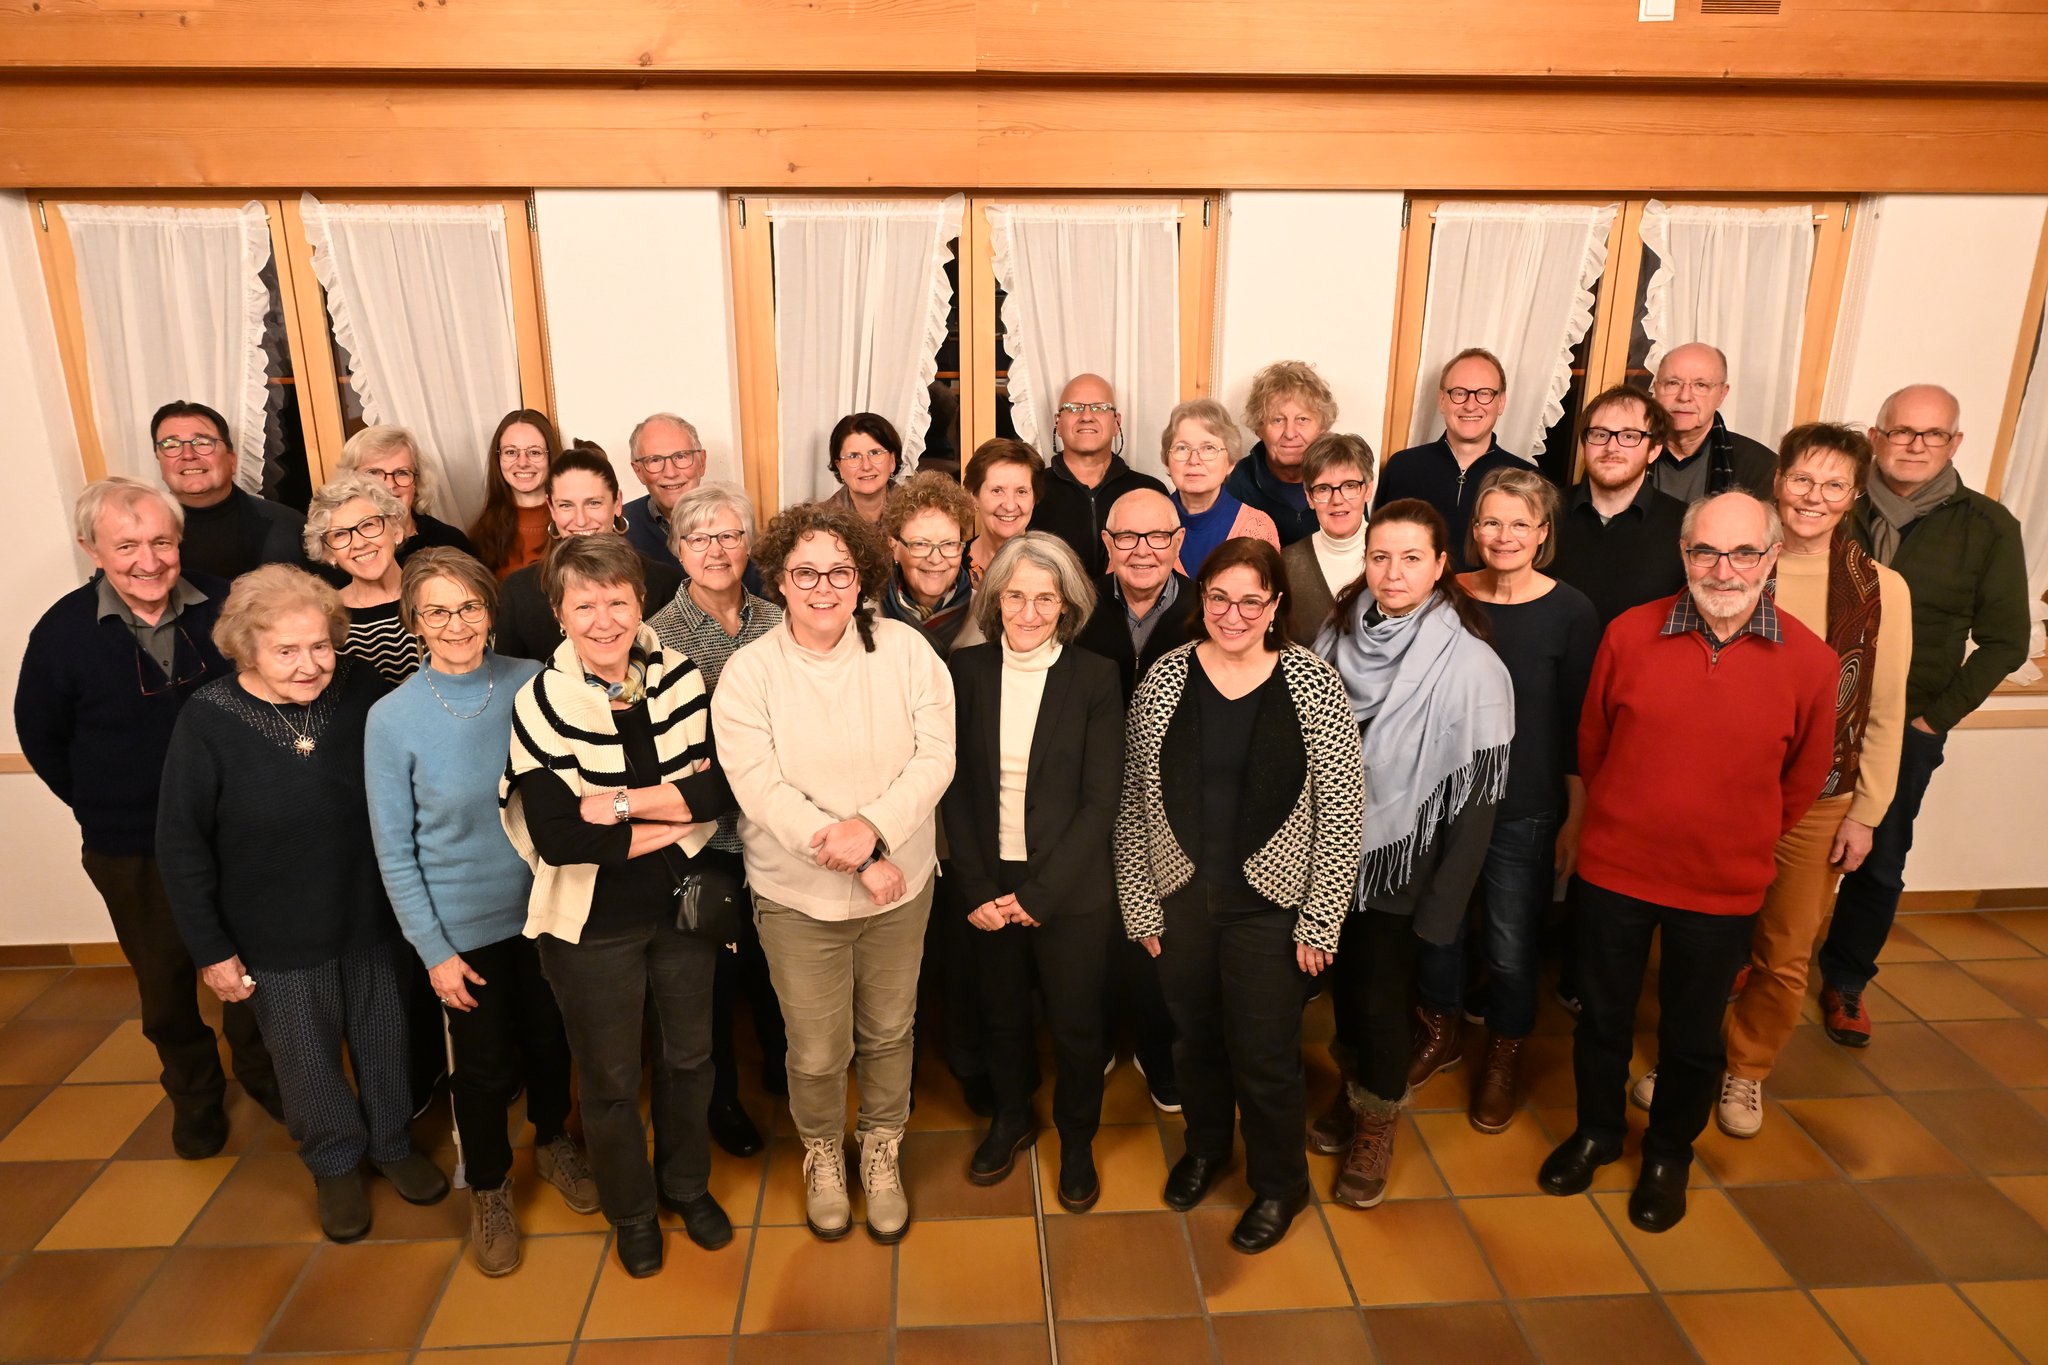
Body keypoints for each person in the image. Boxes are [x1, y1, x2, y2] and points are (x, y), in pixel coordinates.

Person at [1540, 492, 1836, 1234]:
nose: (1723, 569)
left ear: (1771, 557)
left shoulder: (1812, 661)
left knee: (1692, 1035)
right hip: (1616, 871)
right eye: (1706, 551)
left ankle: (1669, 1154)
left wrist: (1735, 834)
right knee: (1602, 1019)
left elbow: (1803, 780)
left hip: (1721, 884)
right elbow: (1593, 743)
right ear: (1684, 554)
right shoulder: (1628, 634)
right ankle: (1597, 1132)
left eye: (1743, 552)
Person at [1631, 425, 1910, 1138]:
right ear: (1779, 481)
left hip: (1820, 799)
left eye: (1834, 484)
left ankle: (1746, 1068)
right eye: (1802, 479)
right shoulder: (1735, 561)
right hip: (1719, 792)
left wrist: (1866, 812)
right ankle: (1685, 1057)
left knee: (1784, 951)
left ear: (1854, 495)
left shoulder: (1882, 590)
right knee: (1699, 941)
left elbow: (1884, 708)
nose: (1814, 497)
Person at [156, 565, 447, 1242]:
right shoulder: (208, 719)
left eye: (320, 645)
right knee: (305, 1055)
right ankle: (335, 1162)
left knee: (385, 1037)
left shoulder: (363, 688)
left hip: (372, 913)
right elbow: (180, 845)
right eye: (286, 650)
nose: (310, 664)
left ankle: (392, 1144)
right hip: (273, 932)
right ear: (246, 647)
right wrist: (212, 949)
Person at [15, 478, 282, 1159]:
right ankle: (195, 1096)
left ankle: (263, 1074)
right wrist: (105, 805)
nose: (148, 560)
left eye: (162, 542)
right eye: (127, 545)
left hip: (237, 837)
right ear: (92, 549)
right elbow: (42, 738)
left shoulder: (228, 605)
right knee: (164, 984)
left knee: (254, 967)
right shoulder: (61, 633)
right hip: (130, 847)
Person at [713, 500, 956, 1246]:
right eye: (806, 573)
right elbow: (760, 788)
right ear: (779, 579)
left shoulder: (907, 651)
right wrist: (859, 855)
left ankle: (880, 1150)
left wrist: (875, 833)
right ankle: (823, 1153)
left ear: (864, 577)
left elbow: (936, 758)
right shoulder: (749, 672)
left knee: (888, 1031)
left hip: (900, 890)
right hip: (797, 896)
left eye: (840, 572)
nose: (824, 587)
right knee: (816, 1049)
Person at [1116, 538, 1363, 1254]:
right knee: (1195, 1041)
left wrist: (1321, 919)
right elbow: (1133, 800)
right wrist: (1140, 901)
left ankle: (1280, 1184)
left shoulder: (1312, 683)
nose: (1233, 614)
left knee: (1264, 1054)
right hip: (1182, 900)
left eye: (1251, 600)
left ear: (1275, 605)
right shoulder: (1166, 677)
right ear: (1202, 599)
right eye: (1219, 598)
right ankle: (1205, 1149)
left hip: (1272, 910)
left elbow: (1342, 811)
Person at [499, 535, 737, 1277]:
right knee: (607, 1081)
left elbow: (719, 793)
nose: (604, 620)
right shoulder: (540, 701)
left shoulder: (682, 676)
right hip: (590, 923)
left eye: (617, 601)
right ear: (559, 613)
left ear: (640, 605)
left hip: (682, 910)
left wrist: (621, 805)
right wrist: (673, 816)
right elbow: (561, 838)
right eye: (585, 605)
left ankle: (686, 1186)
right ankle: (632, 1211)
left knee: (690, 1059)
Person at [365, 549, 596, 1277]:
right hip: (462, 927)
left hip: (548, 908)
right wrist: (434, 951)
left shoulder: (534, 682)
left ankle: (554, 1141)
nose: (456, 623)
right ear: (414, 621)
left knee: (553, 1042)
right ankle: (490, 1187)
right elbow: (394, 851)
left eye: (468, 606)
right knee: (486, 1067)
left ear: (491, 611)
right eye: (436, 611)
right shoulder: (391, 719)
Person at [1814, 385, 2031, 1047]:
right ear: (1876, 438)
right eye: (1901, 431)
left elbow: (2006, 642)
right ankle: (1749, 956)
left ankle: (1846, 980)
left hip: (1906, 725)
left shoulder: (1988, 527)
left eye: (1931, 434)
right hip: (1814, 713)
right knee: (1777, 839)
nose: (1914, 445)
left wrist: (1932, 722)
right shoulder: (1832, 505)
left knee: (1877, 857)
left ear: (1954, 443)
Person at [1314, 501, 1512, 1207]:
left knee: (1381, 997)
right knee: (1344, 988)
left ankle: (1378, 1120)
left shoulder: (1473, 665)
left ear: (1440, 566)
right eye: (1380, 557)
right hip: (1328, 851)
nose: (1392, 573)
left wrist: (1443, 908)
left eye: (1410, 558)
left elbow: (1478, 799)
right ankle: (1353, 1090)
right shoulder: (1335, 633)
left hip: (1406, 858)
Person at [942, 533, 1123, 1209]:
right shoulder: (965, 671)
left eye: (1045, 598)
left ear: (1066, 605)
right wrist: (978, 888)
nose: (1028, 611)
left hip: (1069, 887)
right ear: (995, 600)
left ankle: (1076, 1140)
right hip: (989, 879)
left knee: (1077, 1024)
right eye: (1015, 596)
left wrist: (1041, 894)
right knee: (1002, 1015)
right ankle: (1011, 1118)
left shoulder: (1096, 676)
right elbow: (955, 790)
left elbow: (1102, 800)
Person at [1416, 470, 1599, 1135]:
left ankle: (1504, 1050)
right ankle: (1439, 1029)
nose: (1504, 535)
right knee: (1437, 927)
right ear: (1474, 530)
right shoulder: (1447, 595)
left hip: (1524, 803)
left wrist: (1576, 814)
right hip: (1443, 795)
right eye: (1492, 521)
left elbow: (1580, 723)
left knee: (1511, 943)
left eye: (1521, 523)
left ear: (1543, 533)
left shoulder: (1571, 611)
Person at [646, 485, 788, 1160]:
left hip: (778, 826)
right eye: (700, 538)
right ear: (677, 549)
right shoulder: (654, 637)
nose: (717, 550)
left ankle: (784, 1071)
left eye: (730, 535)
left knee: (775, 963)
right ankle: (721, 1100)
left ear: (749, 545)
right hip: (702, 839)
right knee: (711, 981)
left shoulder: (780, 618)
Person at [494, 443, 683, 660]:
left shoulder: (665, 582)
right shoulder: (518, 592)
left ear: (617, 503)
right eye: (566, 505)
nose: (581, 520)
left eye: (593, 503)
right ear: (551, 508)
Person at [1549, 385, 1689, 628]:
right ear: (1584, 444)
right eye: (1600, 434)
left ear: (1654, 450)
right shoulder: (1545, 512)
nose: (1611, 447)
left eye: (1629, 436)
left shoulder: (1685, 525)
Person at [1373, 348, 1526, 571]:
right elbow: (1378, 549)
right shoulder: (1402, 468)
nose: (1470, 405)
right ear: (1442, 400)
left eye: (1484, 393)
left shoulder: (1525, 478)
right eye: (1459, 393)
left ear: (1501, 402)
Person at [149, 400, 306, 580]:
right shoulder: (139, 533)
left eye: (202, 443)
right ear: (160, 462)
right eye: (171, 445)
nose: (188, 455)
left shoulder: (290, 527)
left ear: (232, 461)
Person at [1033, 374, 1168, 578]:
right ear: (1058, 423)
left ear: (1116, 423)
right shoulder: (1032, 490)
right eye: (1074, 408)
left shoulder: (1149, 491)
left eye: (1100, 408)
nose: (1086, 416)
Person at [1074, 488, 1201, 700]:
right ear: (1108, 543)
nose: (1142, 551)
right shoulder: (1079, 605)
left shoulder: (1206, 611)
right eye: (1127, 537)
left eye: (1158, 536)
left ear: (1178, 541)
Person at [304, 473, 419, 686]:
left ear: (396, 529)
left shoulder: (439, 593)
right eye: (340, 534)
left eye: (368, 525)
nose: (358, 543)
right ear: (328, 553)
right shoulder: (326, 619)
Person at [1161, 397, 1281, 577]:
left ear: (1231, 462)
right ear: (1167, 461)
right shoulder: (1145, 523)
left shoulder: (1257, 529)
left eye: (1208, 448)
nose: (1194, 460)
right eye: (1182, 448)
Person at [1646, 343, 1777, 504]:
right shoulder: (1628, 450)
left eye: (1701, 385)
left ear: (1722, 394)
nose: (1684, 397)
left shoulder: (1760, 466)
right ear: (1656, 389)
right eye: (1673, 383)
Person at [1222, 360, 1336, 545]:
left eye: (1302, 419)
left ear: (1322, 427)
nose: (1290, 433)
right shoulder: (1236, 482)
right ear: (1259, 428)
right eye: (1277, 420)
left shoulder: (1343, 478)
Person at [1281, 434, 1375, 643]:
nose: (1337, 500)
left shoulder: (1395, 557)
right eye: (1323, 489)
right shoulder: (1286, 564)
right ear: (1309, 497)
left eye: (1349, 485)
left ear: (1368, 490)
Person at [335, 424, 478, 561]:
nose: (390, 485)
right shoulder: (339, 549)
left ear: (417, 482)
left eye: (402, 473)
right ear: (350, 481)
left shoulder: (450, 542)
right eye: (374, 473)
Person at [880, 471, 979, 654]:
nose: (935, 559)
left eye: (949, 544)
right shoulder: (869, 617)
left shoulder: (984, 615)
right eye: (920, 544)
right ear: (894, 548)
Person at [469, 409, 561, 581]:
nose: (522, 463)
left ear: (551, 457)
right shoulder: (481, 534)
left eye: (534, 452)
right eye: (511, 452)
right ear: (498, 458)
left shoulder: (574, 523)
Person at [622, 412, 709, 567]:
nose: (670, 473)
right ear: (638, 471)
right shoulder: (619, 529)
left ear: (702, 462)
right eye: (655, 460)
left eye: (681, 456)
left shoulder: (733, 522)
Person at [964, 438, 1043, 585]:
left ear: (1034, 499)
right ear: (973, 496)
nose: (1010, 506)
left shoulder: (1053, 568)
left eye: (1021, 491)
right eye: (997, 491)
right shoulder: (950, 567)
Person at [825, 412, 904, 527]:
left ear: (892, 461)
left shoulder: (918, 511)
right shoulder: (824, 524)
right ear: (839, 466)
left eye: (875, 453)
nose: (866, 466)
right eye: (853, 456)